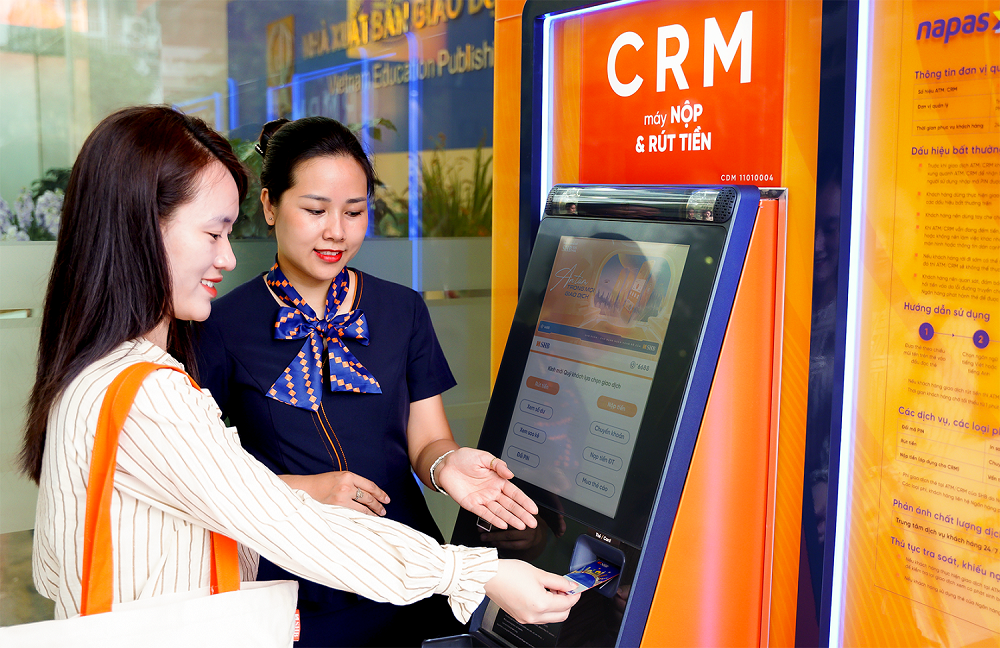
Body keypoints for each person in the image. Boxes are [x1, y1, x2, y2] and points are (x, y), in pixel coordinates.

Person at [20, 106, 580, 640]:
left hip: (399, 566)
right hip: (312, 579)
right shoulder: (164, 375)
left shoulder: (91, 377)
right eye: (213, 233)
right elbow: (275, 519)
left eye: (354, 211)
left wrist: (443, 467)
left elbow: (59, 564)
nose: (227, 257)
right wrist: (475, 572)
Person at [195, 116, 545, 646]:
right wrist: (307, 490)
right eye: (315, 210)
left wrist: (447, 465)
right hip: (301, 584)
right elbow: (202, 477)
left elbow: (427, 441)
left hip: (412, 571)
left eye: (354, 211)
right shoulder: (220, 326)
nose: (336, 231)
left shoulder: (401, 309)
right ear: (269, 205)